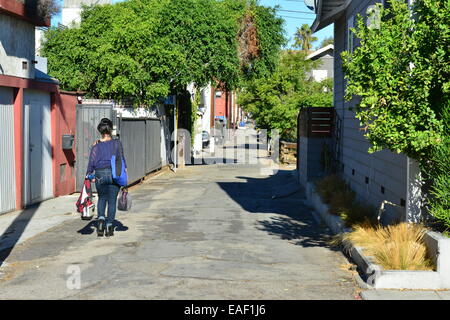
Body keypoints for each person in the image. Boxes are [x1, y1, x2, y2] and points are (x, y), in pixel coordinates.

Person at [86, 118, 127, 237]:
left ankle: (100, 223)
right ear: (110, 130)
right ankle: (109, 227)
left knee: (102, 198)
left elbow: (91, 162)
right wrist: (125, 175)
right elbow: (122, 160)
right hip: (114, 174)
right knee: (112, 201)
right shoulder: (117, 143)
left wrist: (89, 174)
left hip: (99, 174)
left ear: (100, 130)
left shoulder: (96, 146)